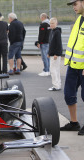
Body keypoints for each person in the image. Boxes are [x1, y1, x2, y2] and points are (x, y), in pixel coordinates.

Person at [60, 0, 84, 135]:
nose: (74, 7)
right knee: (69, 95)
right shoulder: (80, 19)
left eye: (75, 4)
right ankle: (74, 123)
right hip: (73, 65)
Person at [47, 17, 62, 91]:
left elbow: (58, 44)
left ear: (56, 23)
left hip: (55, 54)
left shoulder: (57, 32)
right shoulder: (52, 31)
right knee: (56, 69)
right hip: (52, 53)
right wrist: (49, 53)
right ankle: (58, 84)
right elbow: (51, 44)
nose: (51, 24)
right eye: (50, 23)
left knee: (53, 70)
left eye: (53, 23)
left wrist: (56, 53)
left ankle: (56, 86)